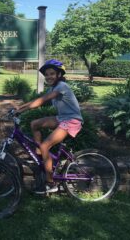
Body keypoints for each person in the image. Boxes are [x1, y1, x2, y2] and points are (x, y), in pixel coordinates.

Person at [15, 59, 83, 193]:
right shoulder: (54, 87)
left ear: (59, 75)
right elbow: (37, 100)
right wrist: (18, 108)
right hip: (62, 118)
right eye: (46, 74)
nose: (48, 77)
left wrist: (21, 110)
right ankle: (40, 155)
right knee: (34, 124)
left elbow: (41, 101)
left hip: (71, 121)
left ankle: (51, 183)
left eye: (52, 73)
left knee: (45, 145)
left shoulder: (62, 86)